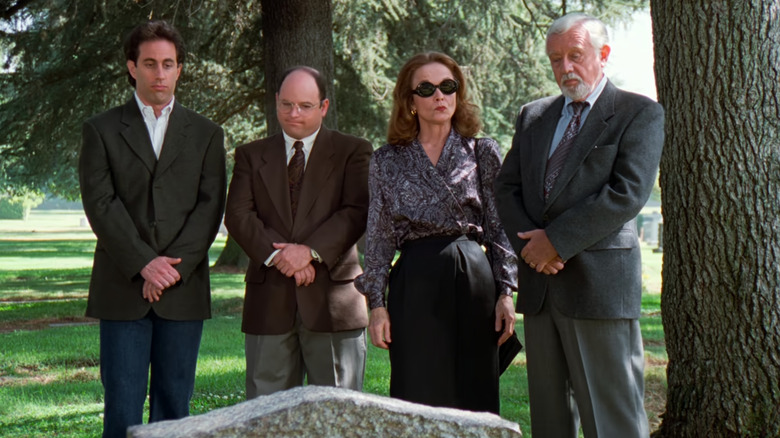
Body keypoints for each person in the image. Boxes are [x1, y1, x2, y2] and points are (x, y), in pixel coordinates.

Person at [494, 12, 664, 437]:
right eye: (555, 59)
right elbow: (506, 189)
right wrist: (533, 251)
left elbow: (626, 193)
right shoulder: (534, 116)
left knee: (613, 420)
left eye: (575, 55)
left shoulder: (637, 113)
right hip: (541, 289)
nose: (565, 68)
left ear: (602, 55)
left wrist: (556, 241)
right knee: (551, 422)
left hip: (599, 289)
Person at [78, 20, 226, 438]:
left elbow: (210, 206)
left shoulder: (207, 134)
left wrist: (170, 269)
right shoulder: (101, 129)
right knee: (122, 407)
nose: (159, 73)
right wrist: (145, 263)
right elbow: (100, 204)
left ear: (179, 69)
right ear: (132, 67)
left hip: (183, 288)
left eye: (167, 64)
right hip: (122, 287)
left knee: (176, 407)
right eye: (149, 64)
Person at [355, 52, 517, 414]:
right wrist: (377, 306)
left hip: (473, 277)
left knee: (474, 391)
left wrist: (506, 292)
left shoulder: (482, 150)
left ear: (458, 93)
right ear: (409, 101)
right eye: (426, 89)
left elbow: (499, 226)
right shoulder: (386, 160)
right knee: (417, 390)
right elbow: (379, 236)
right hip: (414, 282)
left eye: (447, 86)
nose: (439, 96)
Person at [224, 66, 372, 399]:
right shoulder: (251, 155)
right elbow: (237, 214)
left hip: (334, 302)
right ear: (276, 101)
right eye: (286, 104)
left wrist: (308, 252)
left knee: (338, 417)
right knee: (266, 417)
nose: (294, 113)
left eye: (305, 106)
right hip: (269, 300)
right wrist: (279, 256)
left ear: (324, 107)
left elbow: (356, 211)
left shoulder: (354, 151)